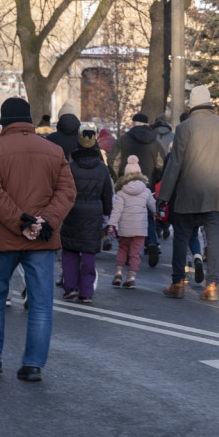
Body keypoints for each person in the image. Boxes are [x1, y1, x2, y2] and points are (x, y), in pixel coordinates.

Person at [0, 97, 76, 382]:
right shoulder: (54, 151)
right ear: (30, 121)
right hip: (42, 238)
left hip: (3, 236)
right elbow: (67, 192)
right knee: (41, 303)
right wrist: (45, 222)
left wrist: (21, 223)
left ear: (4, 121)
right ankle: (33, 364)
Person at [156, 86, 219, 302]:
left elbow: (175, 164)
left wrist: (163, 196)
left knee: (181, 237)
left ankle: (177, 283)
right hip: (216, 194)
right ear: (210, 102)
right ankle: (211, 285)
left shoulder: (184, 127)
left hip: (188, 194)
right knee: (214, 239)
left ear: (191, 104)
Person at [62, 123, 114, 302]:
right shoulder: (102, 168)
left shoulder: (70, 166)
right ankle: (86, 292)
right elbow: (107, 194)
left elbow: (63, 190)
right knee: (89, 253)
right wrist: (107, 213)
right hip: (94, 213)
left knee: (70, 251)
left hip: (72, 211)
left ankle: (70, 287)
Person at [109, 112, 165, 267]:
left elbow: (113, 160)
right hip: (147, 185)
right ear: (147, 125)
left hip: (125, 183)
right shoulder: (155, 142)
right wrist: (155, 179)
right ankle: (152, 242)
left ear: (133, 123)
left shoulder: (123, 140)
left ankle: (126, 252)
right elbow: (161, 164)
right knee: (147, 216)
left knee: (125, 217)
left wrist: (117, 179)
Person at [107, 155, 153, 290]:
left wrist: (111, 224)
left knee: (122, 249)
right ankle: (131, 277)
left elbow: (117, 210)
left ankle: (118, 273)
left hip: (125, 228)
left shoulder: (121, 191)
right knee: (135, 253)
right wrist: (160, 213)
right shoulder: (146, 190)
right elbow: (153, 207)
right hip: (140, 229)